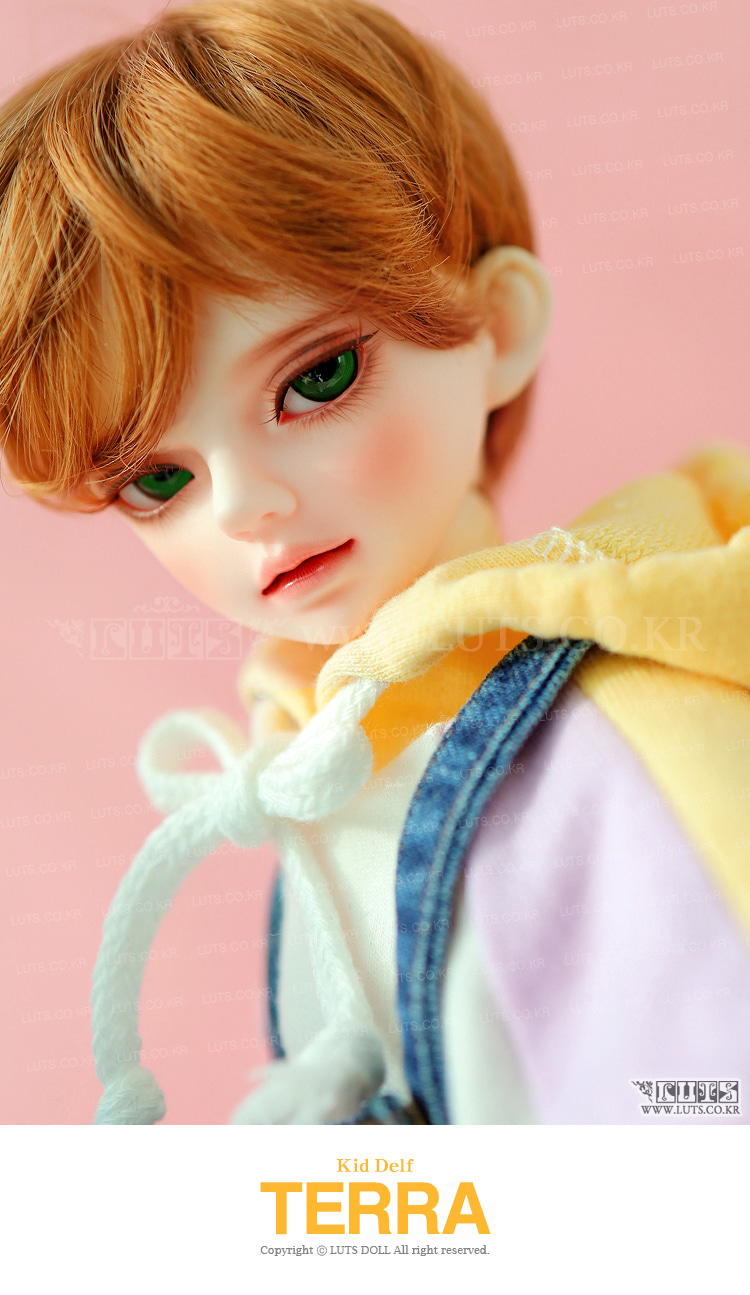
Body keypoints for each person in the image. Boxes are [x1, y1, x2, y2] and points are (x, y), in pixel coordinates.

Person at [1, 0, 749, 1126]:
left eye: (317, 379)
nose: (245, 505)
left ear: (497, 326)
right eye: (157, 480)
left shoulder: (618, 740)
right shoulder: (321, 759)